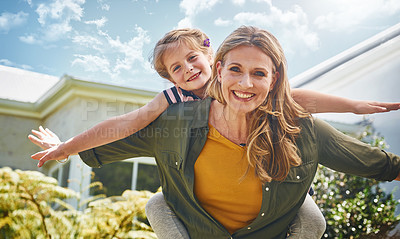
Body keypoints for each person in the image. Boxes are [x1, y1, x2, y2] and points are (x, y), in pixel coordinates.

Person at [29, 27, 400, 238]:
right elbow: (121, 127)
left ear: (209, 59)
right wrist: (65, 146)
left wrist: (353, 105)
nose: (188, 70)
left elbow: (296, 98)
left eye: (193, 59)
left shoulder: (284, 111)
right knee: (158, 203)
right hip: (197, 215)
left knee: (312, 220)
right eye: (176, 68)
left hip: (280, 198)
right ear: (222, 69)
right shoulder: (171, 109)